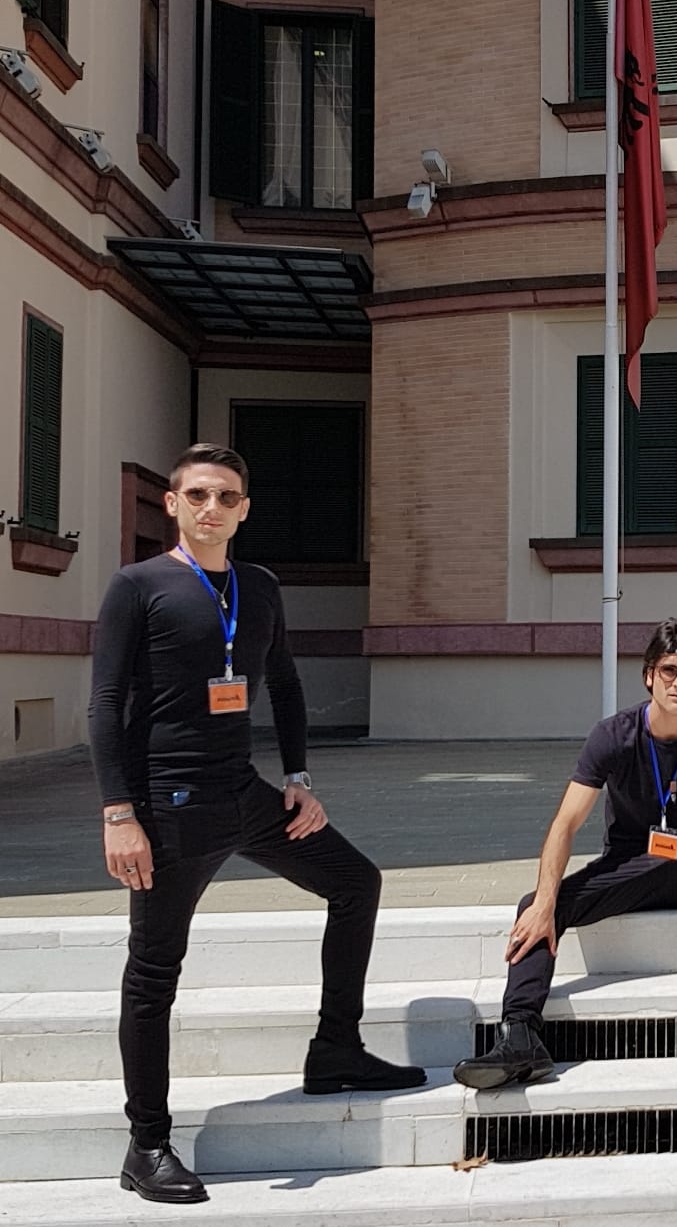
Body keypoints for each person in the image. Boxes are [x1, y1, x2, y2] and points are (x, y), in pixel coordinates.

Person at [89, 443, 424, 1205]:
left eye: (227, 497)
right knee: (153, 972)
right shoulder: (138, 586)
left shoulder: (259, 587)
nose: (212, 508)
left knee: (355, 883)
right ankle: (147, 1145)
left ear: (244, 510)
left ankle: (335, 1049)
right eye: (198, 495)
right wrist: (118, 813)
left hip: (246, 794)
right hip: (169, 808)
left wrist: (299, 781)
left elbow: (286, 685)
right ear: (172, 504)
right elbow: (104, 704)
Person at [454, 619, 677, 1090]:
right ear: (649, 675)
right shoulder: (613, 735)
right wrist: (547, 901)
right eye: (669, 670)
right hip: (630, 868)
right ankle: (520, 1035)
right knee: (536, 905)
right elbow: (565, 823)